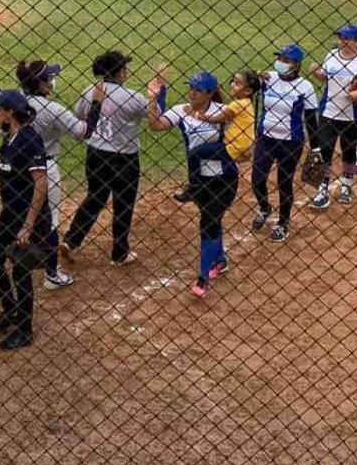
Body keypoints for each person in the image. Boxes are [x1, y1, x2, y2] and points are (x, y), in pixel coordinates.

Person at [148, 70, 238, 298]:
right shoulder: (181, 111)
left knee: (208, 222)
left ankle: (202, 278)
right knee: (212, 220)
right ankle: (220, 260)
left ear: (209, 94)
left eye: (197, 90)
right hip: (198, 180)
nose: (192, 93)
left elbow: (242, 137)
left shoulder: (223, 113)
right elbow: (156, 125)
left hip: (224, 178)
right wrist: (155, 98)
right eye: (191, 88)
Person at [62, 51, 150, 266]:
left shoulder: (90, 92)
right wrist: (159, 93)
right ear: (120, 72)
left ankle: (71, 241)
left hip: (96, 155)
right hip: (124, 159)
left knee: (95, 198)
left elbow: (80, 117)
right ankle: (120, 252)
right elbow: (156, 115)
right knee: (123, 203)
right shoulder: (133, 97)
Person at [0, 89, 52, 350]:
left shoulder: (29, 139)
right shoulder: (9, 137)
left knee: (21, 271)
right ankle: (11, 310)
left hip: (27, 217)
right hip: (10, 213)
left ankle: (25, 329)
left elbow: (41, 184)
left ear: (9, 112)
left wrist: (28, 225)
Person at [15, 60, 87, 290]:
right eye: (50, 78)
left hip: (17, 167)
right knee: (50, 222)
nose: (53, 82)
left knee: (17, 215)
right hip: (46, 168)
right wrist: (95, 104)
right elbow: (81, 132)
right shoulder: (52, 109)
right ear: (43, 85)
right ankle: (52, 274)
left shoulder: (16, 100)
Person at [250, 44, 319, 242]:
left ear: (297, 64)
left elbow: (310, 120)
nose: (280, 63)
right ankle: (264, 207)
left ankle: (283, 222)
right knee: (257, 179)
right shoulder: (268, 78)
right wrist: (254, 75)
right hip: (266, 138)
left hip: (291, 142)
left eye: (285, 60)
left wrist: (315, 147)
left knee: (284, 182)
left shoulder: (306, 87)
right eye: (279, 58)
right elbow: (243, 82)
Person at [309, 25, 357, 209]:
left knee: (349, 151)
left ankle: (347, 186)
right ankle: (322, 190)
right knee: (325, 150)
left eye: (347, 38)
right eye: (341, 37)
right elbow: (325, 78)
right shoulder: (331, 55)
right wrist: (315, 72)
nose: (343, 41)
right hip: (328, 112)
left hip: (354, 116)